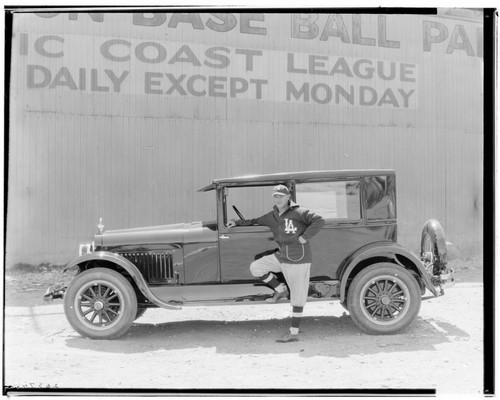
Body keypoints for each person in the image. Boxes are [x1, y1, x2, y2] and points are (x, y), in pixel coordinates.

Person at [227, 184, 325, 343]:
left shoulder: (298, 212)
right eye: (276, 196)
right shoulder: (272, 216)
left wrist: (304, 237)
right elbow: (254, 221)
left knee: (298, 297)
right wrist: (236, 223)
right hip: (282, 256)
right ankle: (281, 290)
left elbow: (319, 220)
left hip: (298, 259)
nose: (278, 198)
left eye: (281, 196)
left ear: (288, 197)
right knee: (256, 267)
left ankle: (293, 333)